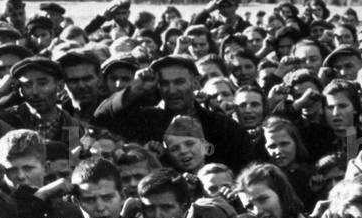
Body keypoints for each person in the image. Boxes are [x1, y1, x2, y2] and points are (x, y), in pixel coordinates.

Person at [92, 54, 253, 171]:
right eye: (164, 84)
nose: (172, 90)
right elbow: (102, 118)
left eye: (179, 82)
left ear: (195, 83)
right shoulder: (148, 121)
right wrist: (135, 89)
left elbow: (246, 167)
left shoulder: (222, 126)